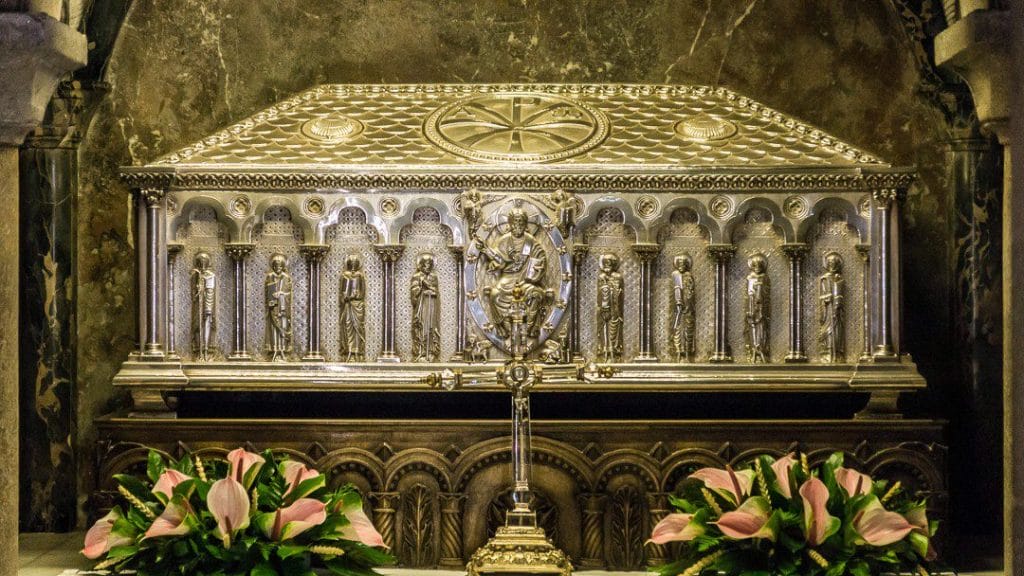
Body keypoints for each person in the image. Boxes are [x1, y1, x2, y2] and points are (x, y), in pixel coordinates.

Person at [476, 208, 549, 347]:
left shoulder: (530, 241)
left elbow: (540, 257)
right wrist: (486, 250)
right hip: (507, 279)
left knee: (537, 294)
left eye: (521, 222)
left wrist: (537, 269)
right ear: (510, 224)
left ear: (526, 224)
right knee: (495, 295)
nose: (518, 226)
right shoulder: (504, 240)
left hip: (524, 281)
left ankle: (530, 328)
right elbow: (500, 262)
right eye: (515, 222)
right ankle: (501, 327)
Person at [410, 252, 440, 362]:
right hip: (421, 305)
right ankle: (420, 352)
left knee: (431, 327)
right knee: (421, 326)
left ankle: (431, 351)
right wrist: (420, 288)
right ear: (421, 265)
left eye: (430, 265)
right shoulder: (416, 276)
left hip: (431, 304)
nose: (428, 267)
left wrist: (429, 288)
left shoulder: (433, 277)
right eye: (426, 265)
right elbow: (413, 291)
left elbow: (435, 290)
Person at [264, 253, 293, 361]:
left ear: (283, 266)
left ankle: (283, 350)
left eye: (280, 266)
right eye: (276, 266)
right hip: (273, 308)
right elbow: (268, 291)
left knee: (283, 327)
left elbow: (289, 293)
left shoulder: (286, 277)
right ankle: (275, 350)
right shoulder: (270, 276)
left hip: (283, 309)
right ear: (273, 266)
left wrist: (281, 294)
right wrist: (272, 296)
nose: (278, 268)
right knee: (273, 329)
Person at [818, 251, 845, 363]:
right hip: (827, 310)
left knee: (837, 331)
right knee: (828, 331)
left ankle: (837, 353)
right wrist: (826, 298)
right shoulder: (824, 279)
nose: (832, 265)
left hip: (836, 310)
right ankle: (827, 353)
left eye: (834, 263)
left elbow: (840, 294)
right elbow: (822, 296)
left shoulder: (840, 278)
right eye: (830, 263)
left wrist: (838, 302)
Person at [743, 253, 770, 363]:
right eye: (755, 265)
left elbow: (767, 292)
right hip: (751, 304)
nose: (757, 268)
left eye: (759, 265)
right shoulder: (750, 278)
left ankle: (760, 348)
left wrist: (760, 288)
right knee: (752, 324)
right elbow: (748, 294)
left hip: (761, 306)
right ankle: (754, 347)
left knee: (761, 326)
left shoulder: (765, 278)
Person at [597, 253, 624, 362]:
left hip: (615, 307)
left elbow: (619, 292)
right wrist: (604, 286)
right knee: (603, 326)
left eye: (609, 263)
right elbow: (600, 294)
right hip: (603, 308)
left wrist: (612, 290)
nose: (607, 265)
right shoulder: (601, 277)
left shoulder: (618, 277)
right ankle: (604, 349)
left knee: (614, 327)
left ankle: (613, 349)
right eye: (605, 263)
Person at [190, 251, 217, 361]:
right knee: (197, 325)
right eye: (200, 262)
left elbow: (210, 291)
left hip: (206, 305)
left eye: (204, 262)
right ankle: (198, 349)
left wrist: (208, 308)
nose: (202, 264)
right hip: (198, 304)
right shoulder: (195, 274)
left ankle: (206, 349)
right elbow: (193, 293)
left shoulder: (210, 275)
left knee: (207, 324)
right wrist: (197, 289)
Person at [339, 254, 366, 362]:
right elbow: (341, 293)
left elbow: (362, 292)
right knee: (347, 326)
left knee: (358, 327)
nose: (353, 266)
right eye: (351, 263)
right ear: (348, 264)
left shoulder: (360, 276)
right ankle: (348, 351)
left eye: (355, 263)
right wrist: (345, 297)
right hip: (347, 305)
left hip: (357, 306)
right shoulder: (345, 275)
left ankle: (357, 352)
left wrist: (356, 295)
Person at [671, 253, 696, 362]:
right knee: (677, 328)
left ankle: (687, 351)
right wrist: (678, 301)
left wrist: (687, 300)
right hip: (677, 307)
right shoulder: (675, 275)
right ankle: (678, 351)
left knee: (688, 328)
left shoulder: (688, 276)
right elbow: (675, 289)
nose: (682, 266)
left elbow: (691, 291)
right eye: (680, 263)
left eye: (684, 263)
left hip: (688, 306)